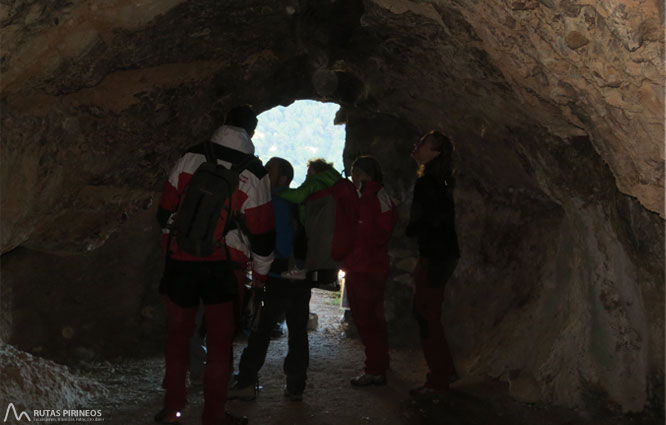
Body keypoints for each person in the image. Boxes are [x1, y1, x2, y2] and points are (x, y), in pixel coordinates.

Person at [155, 105, 274, 425]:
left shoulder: (191, 156)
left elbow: (164, 211)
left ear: (223, 122)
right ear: (252, 131)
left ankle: (173, 409)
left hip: (181, 260)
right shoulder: (254, 172)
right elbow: (262, 233)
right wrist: (260, 277)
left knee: (178, 336)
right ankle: (214, 414)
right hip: (224, 266)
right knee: (221, 343)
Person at [229, 157, 312, 402]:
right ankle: (296, 386)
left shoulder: (275, 201)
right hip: (300, 276)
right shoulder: (298, 201)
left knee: (261, 329)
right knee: (298, 332)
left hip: (279, 276)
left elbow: (281, 244)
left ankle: (245, 381)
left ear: (283, 179)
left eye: (270, 170)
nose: (265, 172)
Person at [406, 130, 460, 399]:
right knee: (427, 313)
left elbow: (423, 222)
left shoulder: (428, 182)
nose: (416, 146)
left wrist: (411, 228)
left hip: (435, 256)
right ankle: (445, 370)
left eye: (423, 144)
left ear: (434, 154)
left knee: (426, 316)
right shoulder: (439, 181)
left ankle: (437, 380)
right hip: (441, 254)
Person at [345, 156, 397, 387]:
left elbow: (377, 233)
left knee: (366, 319)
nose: (352, 176)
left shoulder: (371, 197)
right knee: (373, 318)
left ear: (364, 173)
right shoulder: (378, 196)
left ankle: (374, 369)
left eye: (355, 172)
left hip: (365, 266)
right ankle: (380, 362)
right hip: (369, 265)